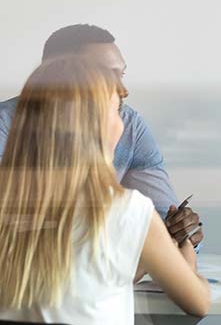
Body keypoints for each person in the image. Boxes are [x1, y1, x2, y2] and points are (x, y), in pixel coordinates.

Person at [0, 56, 221, 325]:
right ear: (96, 127)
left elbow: (94, 273)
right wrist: (183, 241)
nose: (123, 123)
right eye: (115, 111)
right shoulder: (127, 211)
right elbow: (198, 301)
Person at [0, 24, 204, 246]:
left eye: (121, 74)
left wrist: (183, 232)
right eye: (104, 75)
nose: (123, 89)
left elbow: (163, 222)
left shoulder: (129, 126)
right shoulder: (5, 125)